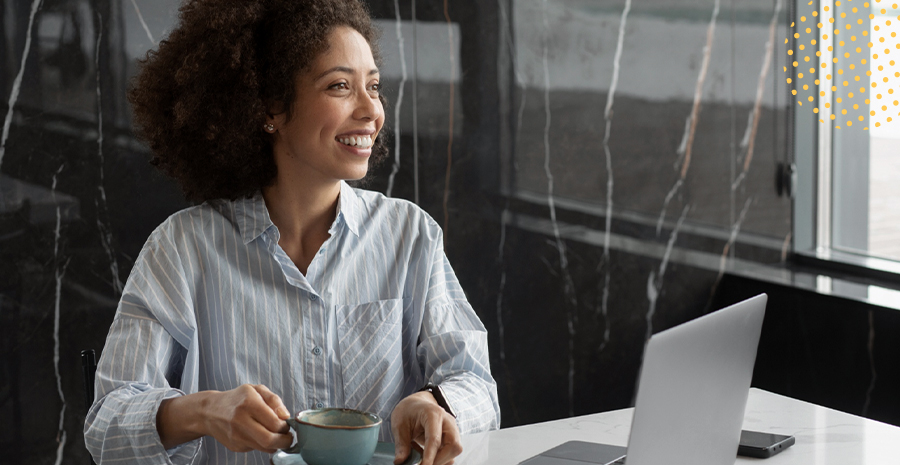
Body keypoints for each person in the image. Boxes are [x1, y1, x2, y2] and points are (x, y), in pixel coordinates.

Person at [82, 1, 500, 464]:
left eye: (374, 86)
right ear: (271, 108)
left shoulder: (410, 236)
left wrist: (436, 403)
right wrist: (203, 410)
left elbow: (476, 385)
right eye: (340, 86)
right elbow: (106, 425)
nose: (371, 111)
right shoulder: (181, 249)